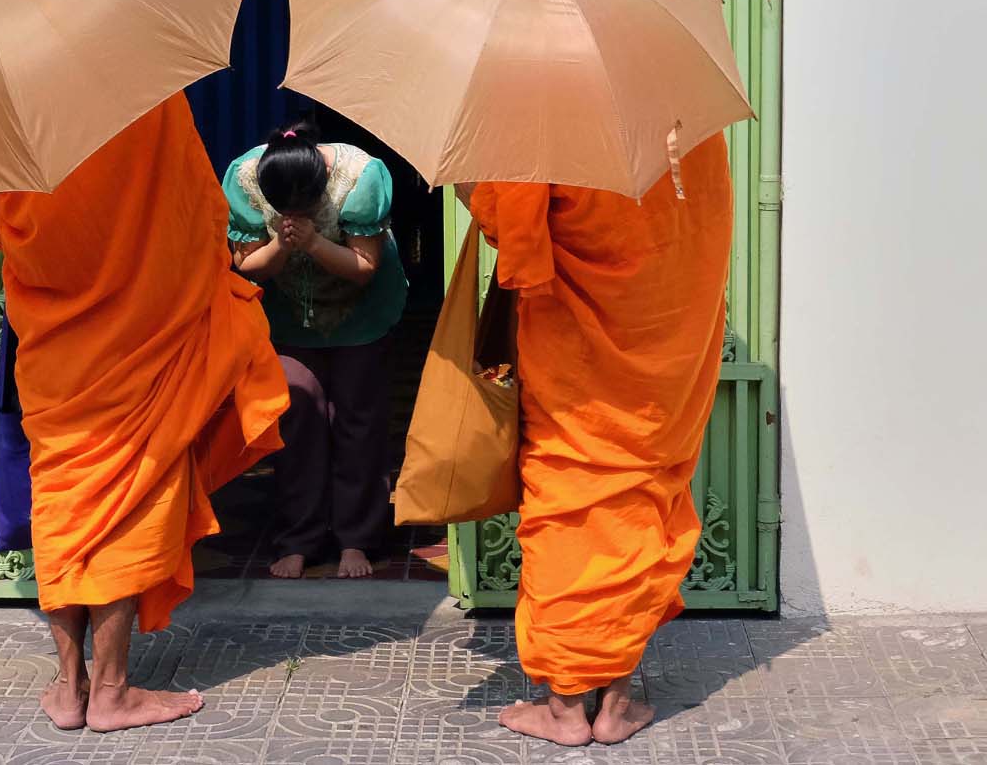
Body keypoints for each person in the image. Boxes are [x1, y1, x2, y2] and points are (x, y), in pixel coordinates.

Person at [0, 93, 289, 734]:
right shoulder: (148, 98)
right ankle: (112, 690)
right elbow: (200, 217)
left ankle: (70, 687)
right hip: (145, 338)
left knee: (65, 500)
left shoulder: (4, 108)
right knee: (129, 497)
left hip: (56, 348)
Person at [458, 135, 734, 747]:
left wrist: (470, 187)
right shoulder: (689, 121)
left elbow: (519, 245)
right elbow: (706, 233)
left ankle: (562, 708)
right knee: (639, 502)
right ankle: (615, 703)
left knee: (572, 502)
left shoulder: (546, 107)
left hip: (578, 354)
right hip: (669, 348)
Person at [224, 123, 409, 580]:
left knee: (357, 420)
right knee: (296, 412)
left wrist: (312, 241)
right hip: (288, 317)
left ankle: (356, 539)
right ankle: (298, 538)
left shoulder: (362, 176)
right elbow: (247, 266)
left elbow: (365, 267)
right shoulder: (243, 178)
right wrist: (282, 248)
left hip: (361, 313)